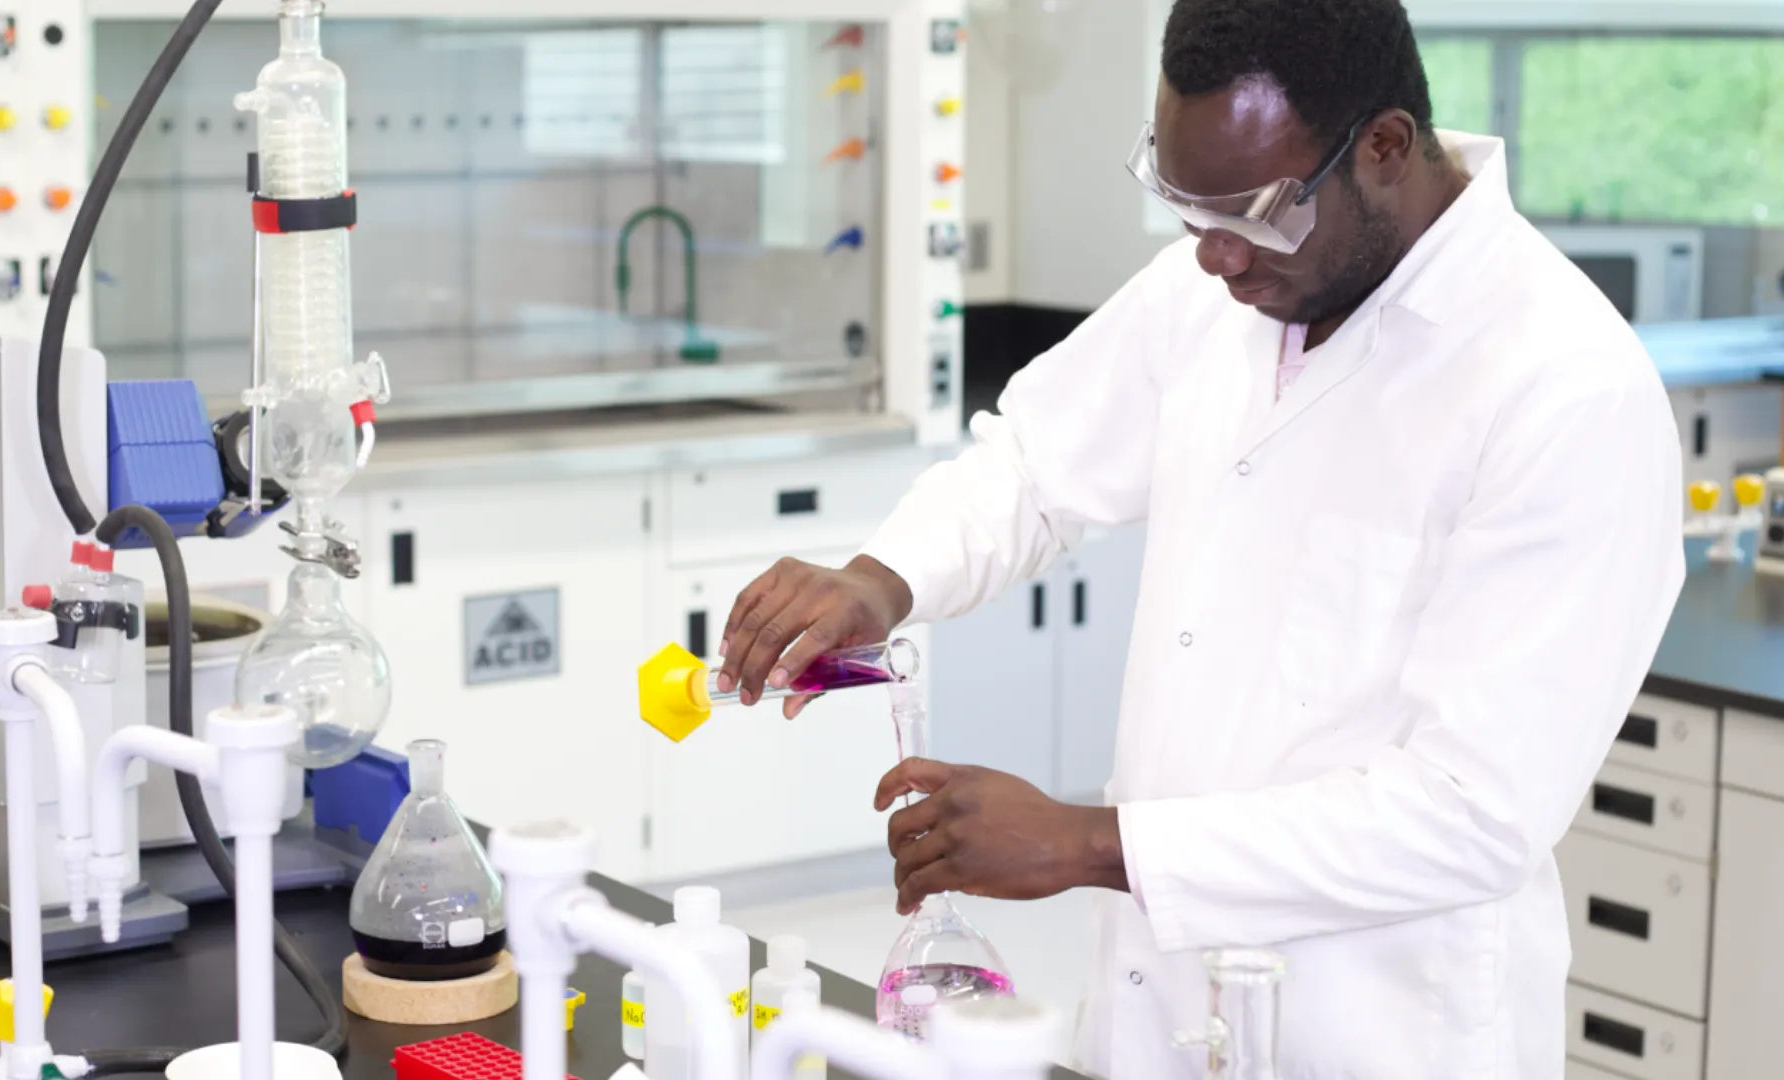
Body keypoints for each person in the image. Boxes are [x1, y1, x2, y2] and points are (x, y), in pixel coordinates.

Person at [718, 0, 1684, 1075]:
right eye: (1186, 208)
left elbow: (1471, 814)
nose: (1216, 256)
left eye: (1253, 213)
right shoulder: (1226, 291)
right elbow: (1037, 464)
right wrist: (881, 580)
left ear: (1385, 147)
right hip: (1157, 1011)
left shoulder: (1563, 387)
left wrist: (1090, 842)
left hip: (1370, 1030)